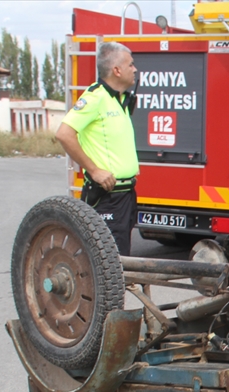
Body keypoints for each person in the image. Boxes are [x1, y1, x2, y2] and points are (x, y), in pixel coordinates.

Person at [55, 42, 139, 255]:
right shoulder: (95, 97)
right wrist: (94, 170)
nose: (135, 69)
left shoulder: (119, 100)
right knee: (107, 264)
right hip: (107, 197)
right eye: (131, 65)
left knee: (122, 262)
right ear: (116, 70)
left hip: (126, 195)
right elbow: (64, 134)